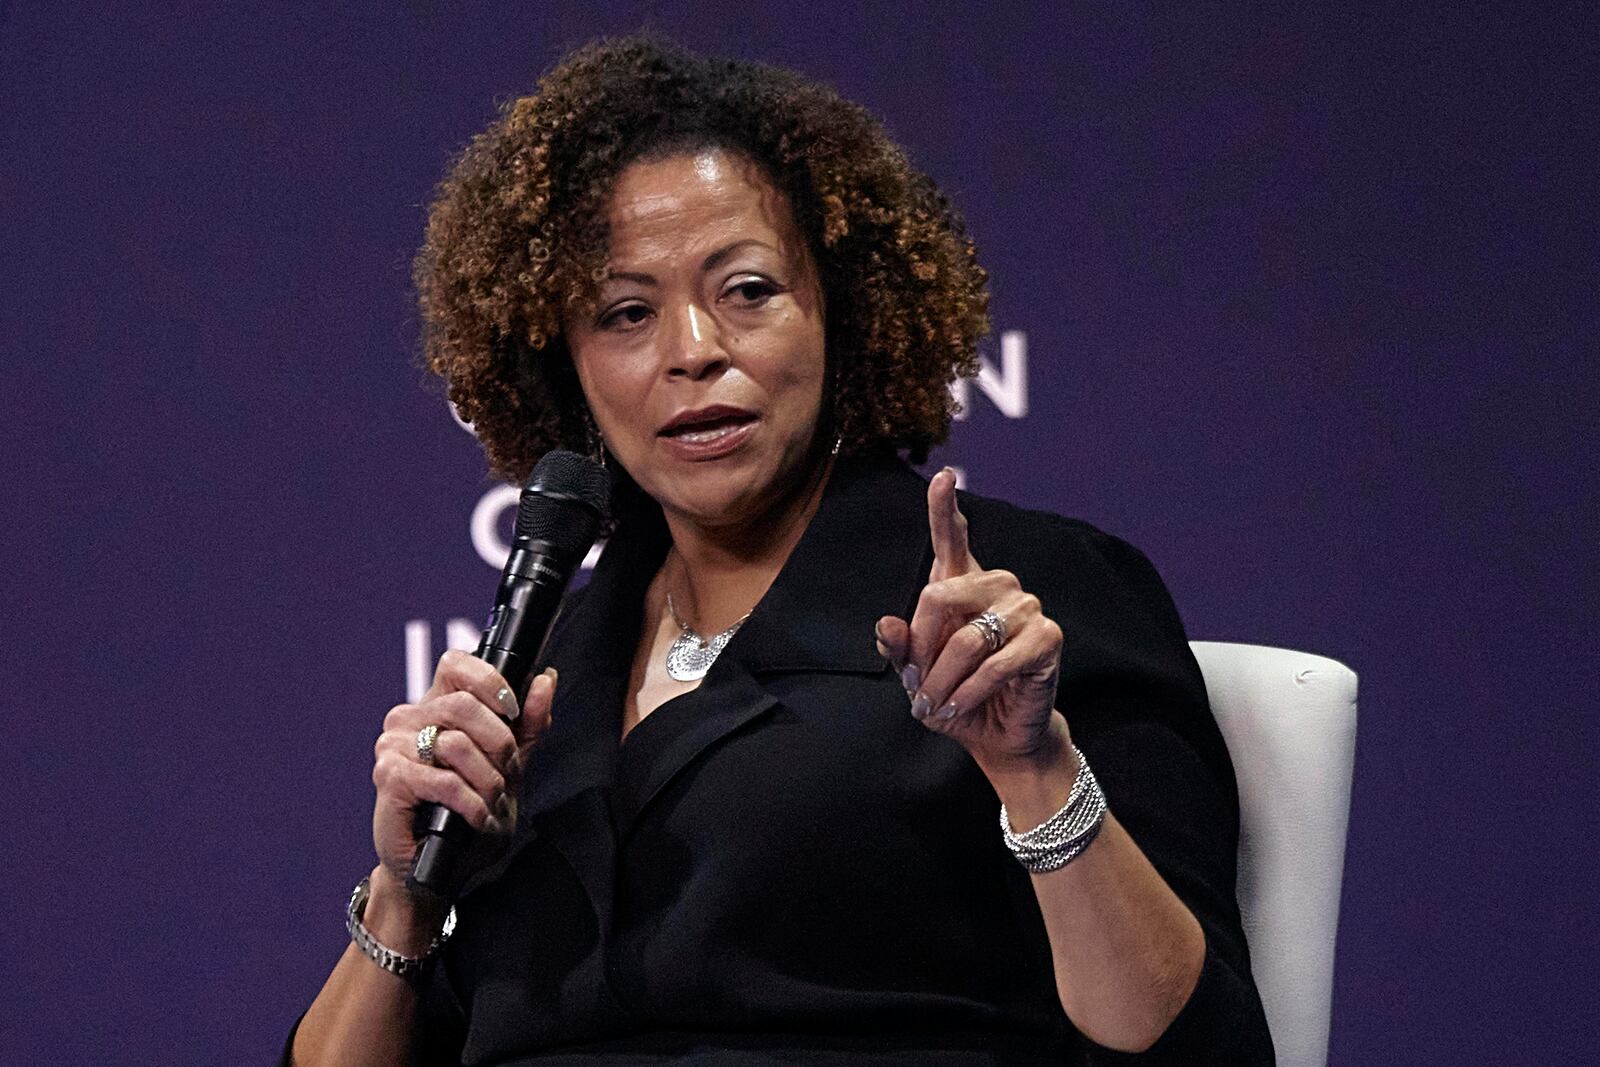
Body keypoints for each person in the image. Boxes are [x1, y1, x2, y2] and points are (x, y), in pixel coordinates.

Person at [286, 35, 1274, 1066]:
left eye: (747, 289)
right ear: (562, 365)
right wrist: (408, 889)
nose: (692, 348)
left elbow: (1202, 1046)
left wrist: (1033, 769)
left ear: (841, 312)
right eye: (626, 313)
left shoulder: (1029, 602)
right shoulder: (548, 670)